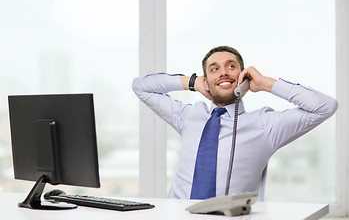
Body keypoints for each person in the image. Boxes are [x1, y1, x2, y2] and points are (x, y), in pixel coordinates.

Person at [132, 45, 338, 200]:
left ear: (243, 77)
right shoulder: (188, 116)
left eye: (231, 66)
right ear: (207, 81)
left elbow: (325, 106)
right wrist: (192, 82)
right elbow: (141, 87)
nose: (223, 72)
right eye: (214, 69)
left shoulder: (265, 125)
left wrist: (265, 83)